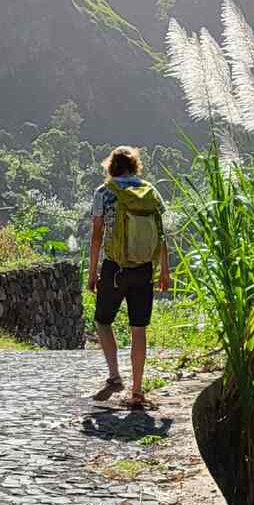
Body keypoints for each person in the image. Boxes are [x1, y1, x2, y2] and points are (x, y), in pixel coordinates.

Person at [88, 145, 169, 406]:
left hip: (115, 269)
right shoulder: (150, 191)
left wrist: (92, 272)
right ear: (135, 166)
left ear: (111, 166)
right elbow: (161, 234)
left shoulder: (104, 192)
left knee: (103, 321)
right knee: (138, 329)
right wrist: (164, 271)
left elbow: (97, 236)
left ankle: (114, 376)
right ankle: (137, 389)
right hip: (144, 269)